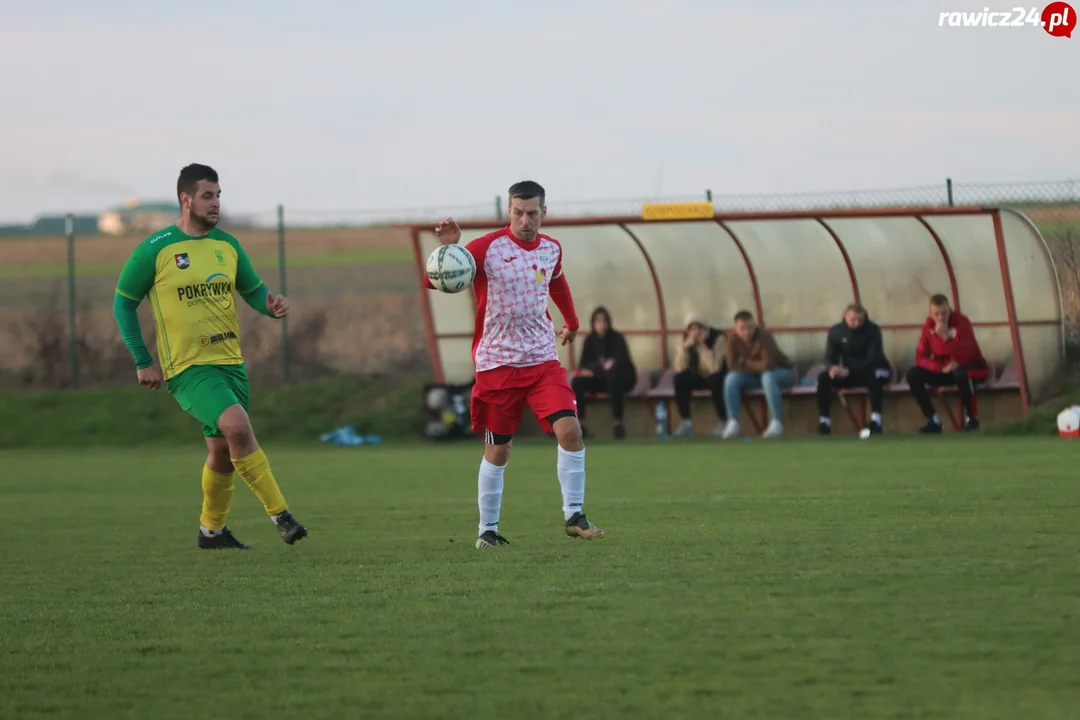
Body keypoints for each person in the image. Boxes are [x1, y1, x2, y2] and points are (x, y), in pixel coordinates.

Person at [112, 163, 307, 550]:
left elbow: (253, 290)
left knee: (220, 452)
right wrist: (141, 359)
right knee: (237, 426)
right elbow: (123, 304)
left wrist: (272, 305)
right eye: (207, 196)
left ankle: (211, 532)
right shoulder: (156, 249)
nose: (216, 203)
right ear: (186, 200)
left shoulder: (228, 246)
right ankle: (281, 516)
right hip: (188, 368)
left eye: (218, 195)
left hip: (230, 363)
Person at [427, 180, 604, 549]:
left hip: (542, 360)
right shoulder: (486, 248)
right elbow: (435, 280)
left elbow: (557, 284)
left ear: (544, 213)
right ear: (509, 211)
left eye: (533, 213)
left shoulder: (551, 249)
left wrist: (571, 322)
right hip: (497, 365)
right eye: (518, 212)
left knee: (570, 430)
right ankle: (486, 531)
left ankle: (574, 514)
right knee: (499, 451)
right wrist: (449, 251)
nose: (526, 220)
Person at [906, 294, 989, 433]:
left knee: (962, 373)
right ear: (930, 313)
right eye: (936, 314)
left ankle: (972, 419)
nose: (940, 318)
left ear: (949, 309)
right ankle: (933, 420)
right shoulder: (928, 326)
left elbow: (968, 353)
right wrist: (938, 368)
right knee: (913, 374)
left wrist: (946, 337)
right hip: (944, 369)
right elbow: (920, 357)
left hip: (969, 365)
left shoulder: (961, 322)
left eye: (944, 313)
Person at [816, 302, 892, 435]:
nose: (856, 323)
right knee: (824, 378)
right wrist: (833, 368)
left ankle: (876, 421)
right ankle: (824, 422)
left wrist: (849, 370)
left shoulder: (872, 330)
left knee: (873, 375)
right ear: (845, 316)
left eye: (860, 320)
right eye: (853, 320)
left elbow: (873, 358)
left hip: (874, 369)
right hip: (849, 372)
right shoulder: (836, 331)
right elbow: (829, 356)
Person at [721, 310, 796, 439]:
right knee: (731, 378)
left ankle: (776, 422)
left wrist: (744, 362)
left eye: (750, 327)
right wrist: (754, 366)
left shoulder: (765, 336)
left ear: (755, 324)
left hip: (782, 372)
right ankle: (733, 421)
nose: (747, 332)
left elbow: (768, 365)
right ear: (735, 329)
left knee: (768, 377)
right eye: (742, 329)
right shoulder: (732, 339)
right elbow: (732, 366)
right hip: (756, 376)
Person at [572, 306, 637, 440]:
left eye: (604, 321)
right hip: (600, 379)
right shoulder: (589, 341)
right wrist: (598, 369)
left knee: (614, 379)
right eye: (598, 321)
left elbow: (620, 363)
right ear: (593, 323)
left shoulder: (617, 338)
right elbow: (584, 366)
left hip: (621, 379)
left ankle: (618, 423)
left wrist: (597, 370)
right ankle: (580, 424)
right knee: (577, 382)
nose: (601, 324)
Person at [671, 313, 728, 437]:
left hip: (716, 375)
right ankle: (686, 423)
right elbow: (679, 368)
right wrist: (684, 349)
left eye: (699, 328)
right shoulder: (683, 339)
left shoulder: (719, 338)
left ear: (705, 328)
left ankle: (723, 421)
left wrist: (702, 347)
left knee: (716, 380)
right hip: (696, 375)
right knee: (679, 379)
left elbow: (715, 367)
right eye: (692, 329)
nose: (696, 333)